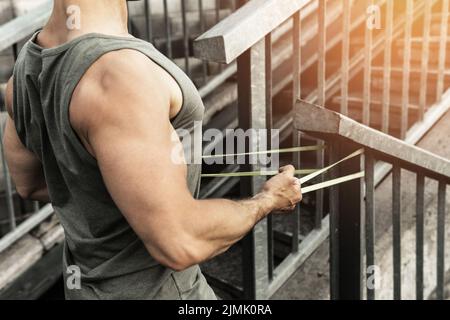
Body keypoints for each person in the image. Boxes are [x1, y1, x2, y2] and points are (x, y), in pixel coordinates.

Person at [3, 0, 302, 300]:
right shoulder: (119, 77)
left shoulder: (24, 71)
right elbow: (180, 240)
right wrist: (267, 200)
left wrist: (126, 193)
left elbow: (30, 184)